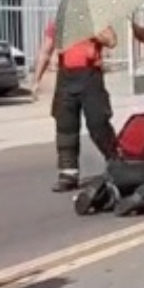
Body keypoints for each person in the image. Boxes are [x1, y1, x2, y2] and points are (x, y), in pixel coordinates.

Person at [33, 20, 119, 192]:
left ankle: (116, 162)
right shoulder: (58, 22)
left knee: (98, 123)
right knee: (65, 125)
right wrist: (36, 79)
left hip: (90, 77)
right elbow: (45, 50)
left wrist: (93, 30)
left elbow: (112, 41)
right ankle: (68, 173)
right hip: (66, 78)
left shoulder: (96, 19)